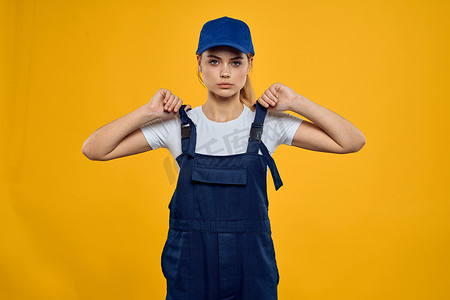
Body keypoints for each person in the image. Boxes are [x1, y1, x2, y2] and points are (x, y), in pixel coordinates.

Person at [82, 16, 365, 300]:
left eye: (236, 62)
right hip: (191, 270)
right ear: (199, 64)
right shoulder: (177, 125)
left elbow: (351, 141)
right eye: (214, 61)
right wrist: (147, 112)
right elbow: (94, 149)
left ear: (249, 64)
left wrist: (297, 102)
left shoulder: (269, 123)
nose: (225, 73)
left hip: (251, 270)